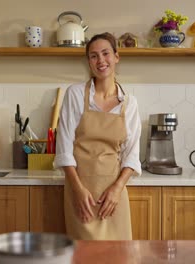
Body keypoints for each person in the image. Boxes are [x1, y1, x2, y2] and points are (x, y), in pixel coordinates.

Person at [54, 32, 142, 240]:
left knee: (119, 256)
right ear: (88, 62)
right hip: (80, 192)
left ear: (116, 57)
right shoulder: (75, 94)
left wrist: (117, 189)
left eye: (105, 53)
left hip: (114, 194)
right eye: (93, 56)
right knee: (84, 256)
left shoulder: (129, 102)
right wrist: (77, 190)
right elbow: (64, 148)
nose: (100, 60)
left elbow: (132, 154)